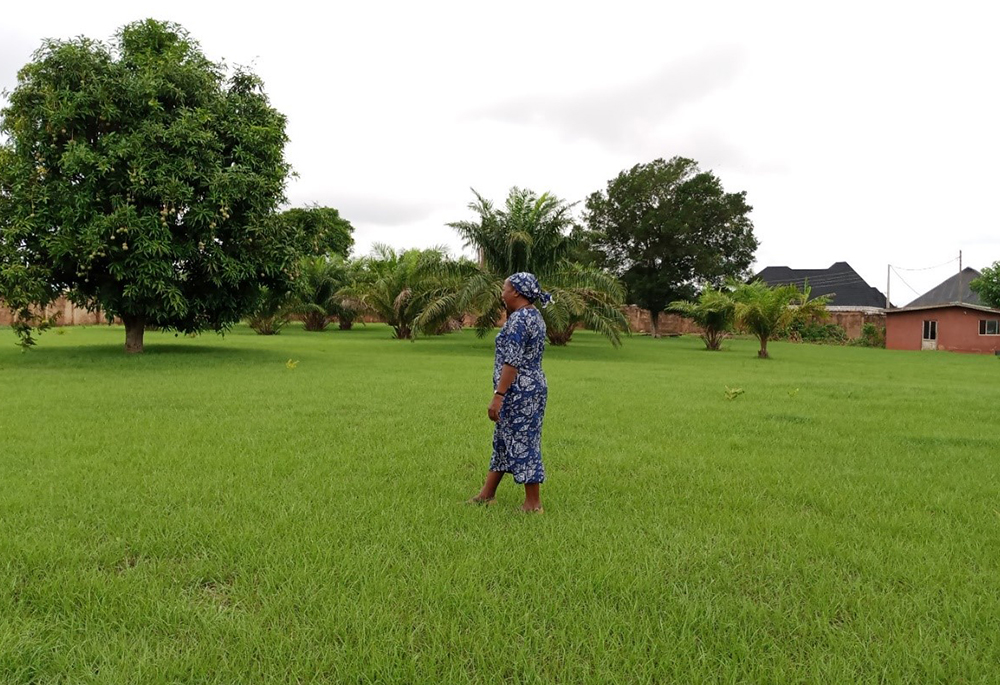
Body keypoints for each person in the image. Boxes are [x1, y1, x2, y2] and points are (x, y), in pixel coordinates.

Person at [468, 272, 551, 512]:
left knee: (524, 441)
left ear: (515, 291)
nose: (502, 293)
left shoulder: (519, 320)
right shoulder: (534, 316)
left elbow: (511, 362)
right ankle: (487, 494)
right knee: (504, 440)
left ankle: (533, 504)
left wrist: (499, 395)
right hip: (532, 387)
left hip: (518, 392)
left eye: (504, 288)